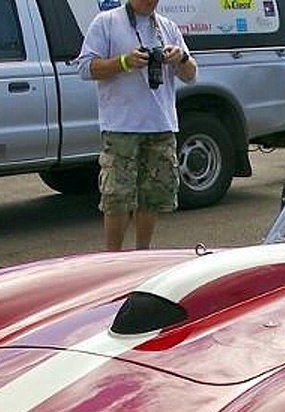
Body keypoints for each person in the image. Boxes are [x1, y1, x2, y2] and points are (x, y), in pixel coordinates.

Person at [76, 0, 196, 251]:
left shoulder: (168, 27)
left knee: (152, 198)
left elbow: (191, 75)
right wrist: (124, 62)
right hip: (121, 126)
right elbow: (86, 68)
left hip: (160, 125)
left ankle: (142, 255)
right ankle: (112, 260)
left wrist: (181, 57)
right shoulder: (107, 22)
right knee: (116, 198)